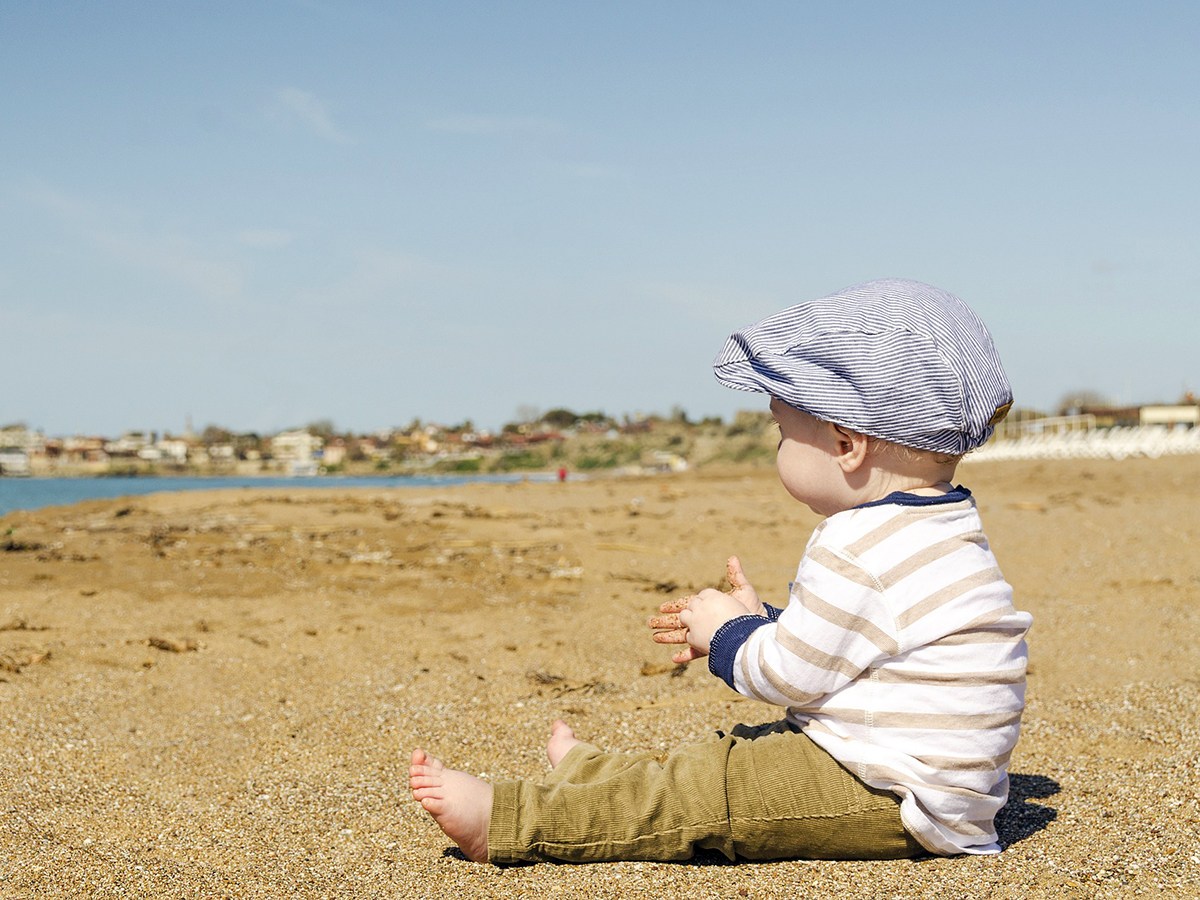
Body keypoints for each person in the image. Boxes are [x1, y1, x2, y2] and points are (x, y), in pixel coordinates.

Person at [410, 278, 1032, 864]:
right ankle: (594, 776)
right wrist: (765, 621)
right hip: (932, 783)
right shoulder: (945, 525)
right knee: (731, 755)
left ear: (847, 445)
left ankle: (512, 821)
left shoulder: (855, 541)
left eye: (784, 433)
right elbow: (858, 647)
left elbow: (791, 678)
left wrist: (727, 637)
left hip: (891, 794)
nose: (778, 448)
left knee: (709, 792)